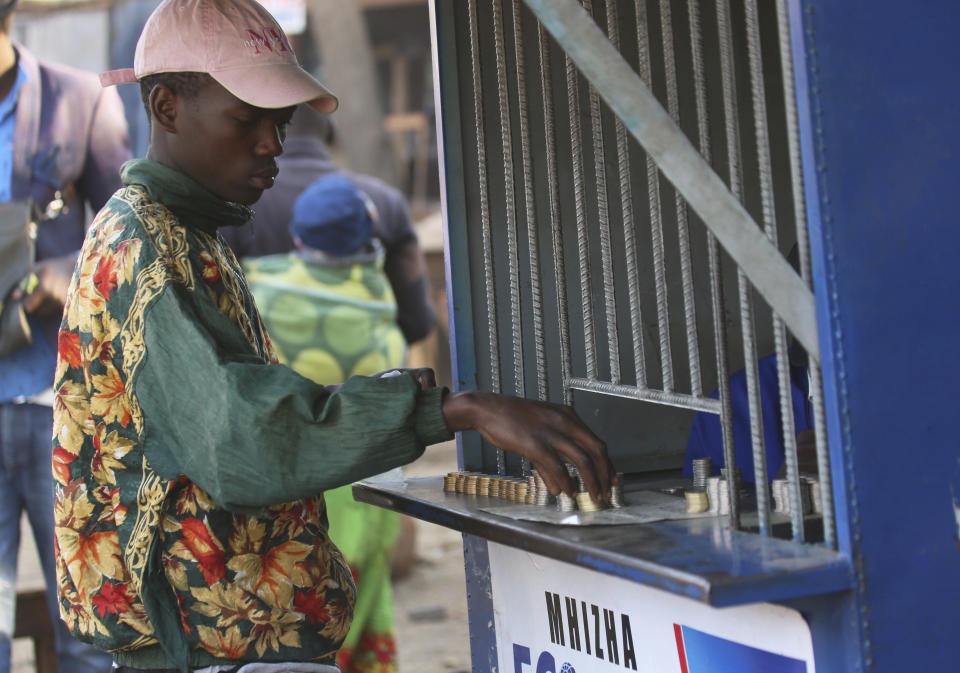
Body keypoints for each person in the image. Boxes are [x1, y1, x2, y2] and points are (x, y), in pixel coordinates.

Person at [52, 1, 612, 671]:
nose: (273, 145)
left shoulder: (185, 231)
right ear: (167, 107)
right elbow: (241, 438)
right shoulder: (144, 247)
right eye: (247, 120)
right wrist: (454, 409)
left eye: (280, 123)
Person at [0, 1, 130, 672]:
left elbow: (131, 242)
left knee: (88, 625)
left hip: (66, 409)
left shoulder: (77, 100)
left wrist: (67, 271)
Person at [243, 174, 409, 673]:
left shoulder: (264, 294)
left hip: (304, 485)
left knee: (310, 612)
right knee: (368, 595)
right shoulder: (376, 293)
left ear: (298, 238)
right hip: (372, 481)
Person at [221, 104, 436, 346]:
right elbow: (418, 322)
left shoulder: (235, 207)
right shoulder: (386, 202)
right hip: (369, 376)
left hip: (273, 378)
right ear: (332, 133)